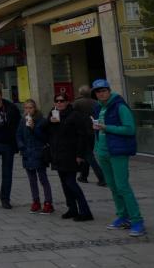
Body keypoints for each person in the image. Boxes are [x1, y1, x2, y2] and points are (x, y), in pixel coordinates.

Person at [91, 79, 145, 237]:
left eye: (103, 90)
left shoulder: (120, 106)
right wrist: (96, 147)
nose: (101, 94)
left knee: (122, 187)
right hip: (103, 152)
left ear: (109, 90)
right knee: (113, 186)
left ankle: (137, 221)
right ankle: (123, 217)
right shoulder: (98, 107)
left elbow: (130, 129)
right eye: (98, 92)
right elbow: (98, 130)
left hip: (118, 152)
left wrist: (107, 127)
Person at [47, 93, 93, 222]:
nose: (59, 103)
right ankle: (72, 208)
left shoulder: (74, 115)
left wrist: (80, 154)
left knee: (71, 183)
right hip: (58, 154)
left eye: (62, 101)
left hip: (71, 154)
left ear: (68, 102)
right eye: (57, 101)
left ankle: (85, 211)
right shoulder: (53, 114)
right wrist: (49, 121)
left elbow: (82, 136)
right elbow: (46, 130)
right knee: (64, 183)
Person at [16, 99, 54, 214]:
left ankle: (48, 203)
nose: (28, 110)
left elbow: (45, 138)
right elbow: (18, 135)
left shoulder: (41, 121)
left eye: (30, 108)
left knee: (43, 178)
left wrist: (33, 128)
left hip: (39, 153)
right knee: (32, 180)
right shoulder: (22, 120)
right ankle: (36, 201)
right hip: (27, 153)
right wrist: (21, 146)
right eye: (26, 108)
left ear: (35, 108)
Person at [73, 85, 107, 186]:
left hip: (82, 131)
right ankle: (83, 176)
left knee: (89, 155)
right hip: (93, 131)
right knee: (87, 153)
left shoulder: (77, 103)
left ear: (80, 93)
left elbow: (73, 116)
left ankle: (102, 178)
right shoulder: (95, 102)